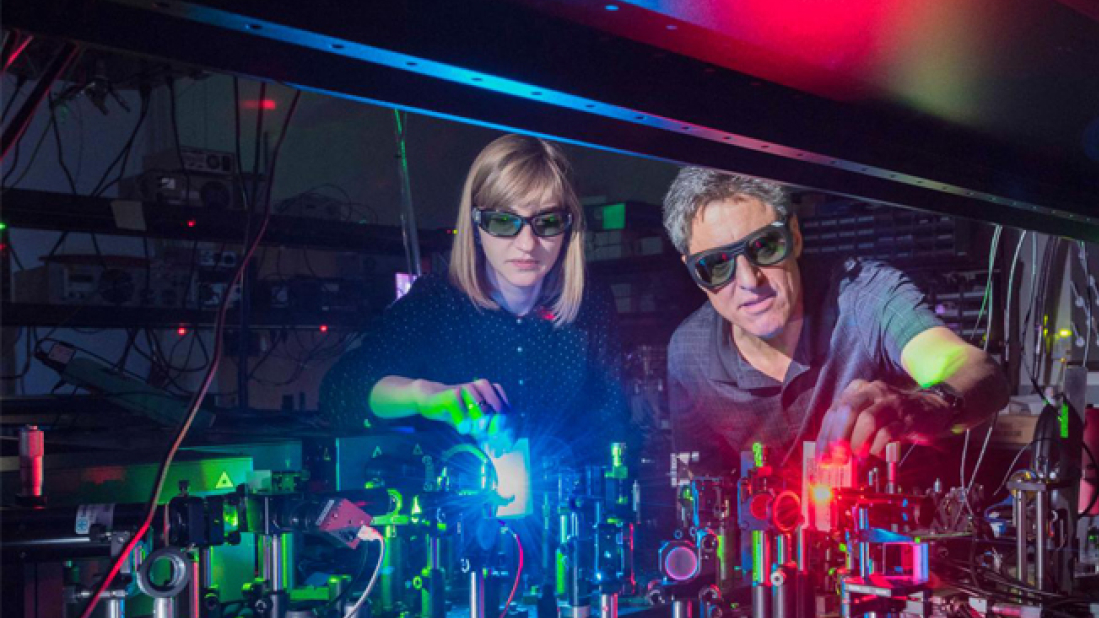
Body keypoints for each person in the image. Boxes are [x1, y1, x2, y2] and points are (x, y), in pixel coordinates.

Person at [663, 168, 1009, 474]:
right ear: (694, 272)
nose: (750, 282)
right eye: (716, 265)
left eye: (765, 247)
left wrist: (932, 403)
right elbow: (695, 481)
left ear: (794, 237)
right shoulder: (689, 352)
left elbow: (980, 372)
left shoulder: (865, 299)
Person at [321, 133, 629, 468]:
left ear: (569, 227)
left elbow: (614, 424)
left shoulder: (591, 304)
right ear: (476, 225)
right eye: (503, 222)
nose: (527, 244)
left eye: (548, 222)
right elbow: (342, 392)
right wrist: (425, 396)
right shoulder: (437, 303)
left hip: (567, 508)